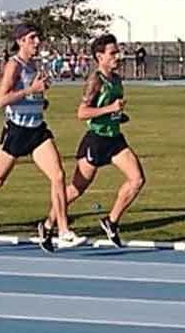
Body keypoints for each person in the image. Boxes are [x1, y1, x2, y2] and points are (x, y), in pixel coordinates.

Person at [0, 24, 86, 252]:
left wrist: (40, 99)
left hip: (37, 129)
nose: (37, 42)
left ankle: (63, 231)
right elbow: (2, 100)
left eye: (37, 37)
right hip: (17, 130)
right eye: (32, 38)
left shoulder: (34, 65)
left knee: (58, 175)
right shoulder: (14, 65)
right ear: (21, 41)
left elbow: (31, 95)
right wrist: (31, 90)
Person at [40, 34, 145, 248]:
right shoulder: (95, 80)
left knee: (137, 180)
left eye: (118, 52)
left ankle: (111, 221)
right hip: (95, 141)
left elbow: (108, 110)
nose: (118, 56)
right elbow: (82, 113)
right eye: (113, 53)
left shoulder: (116, 79)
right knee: (77, 189)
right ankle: (49, 223)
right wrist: (110, 109)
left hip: (115, 139)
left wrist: (118, 116)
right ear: (100, 56)